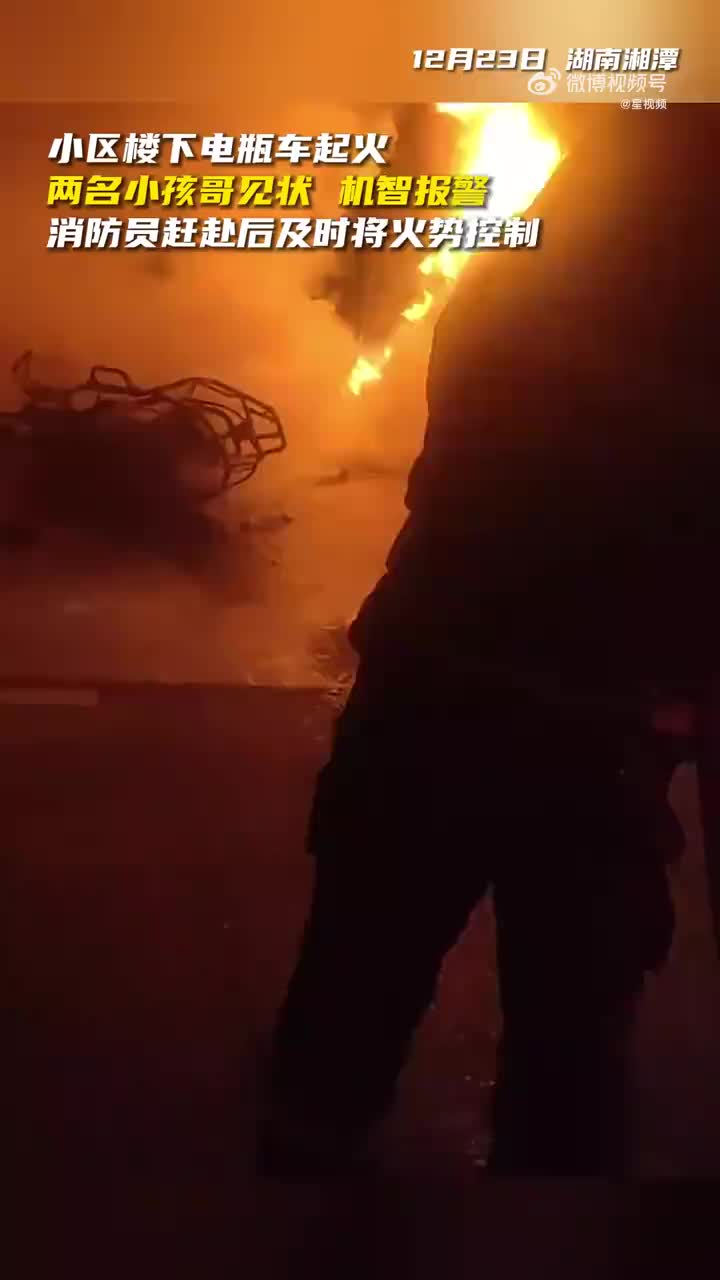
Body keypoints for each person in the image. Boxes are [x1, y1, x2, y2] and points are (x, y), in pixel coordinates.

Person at [259, 105, 719, 1177]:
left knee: (354, 992)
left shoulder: (517, 284)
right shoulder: (650, 307)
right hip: (584, 727)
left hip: (438, 690)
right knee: (567, 1049)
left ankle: (293, 1199)